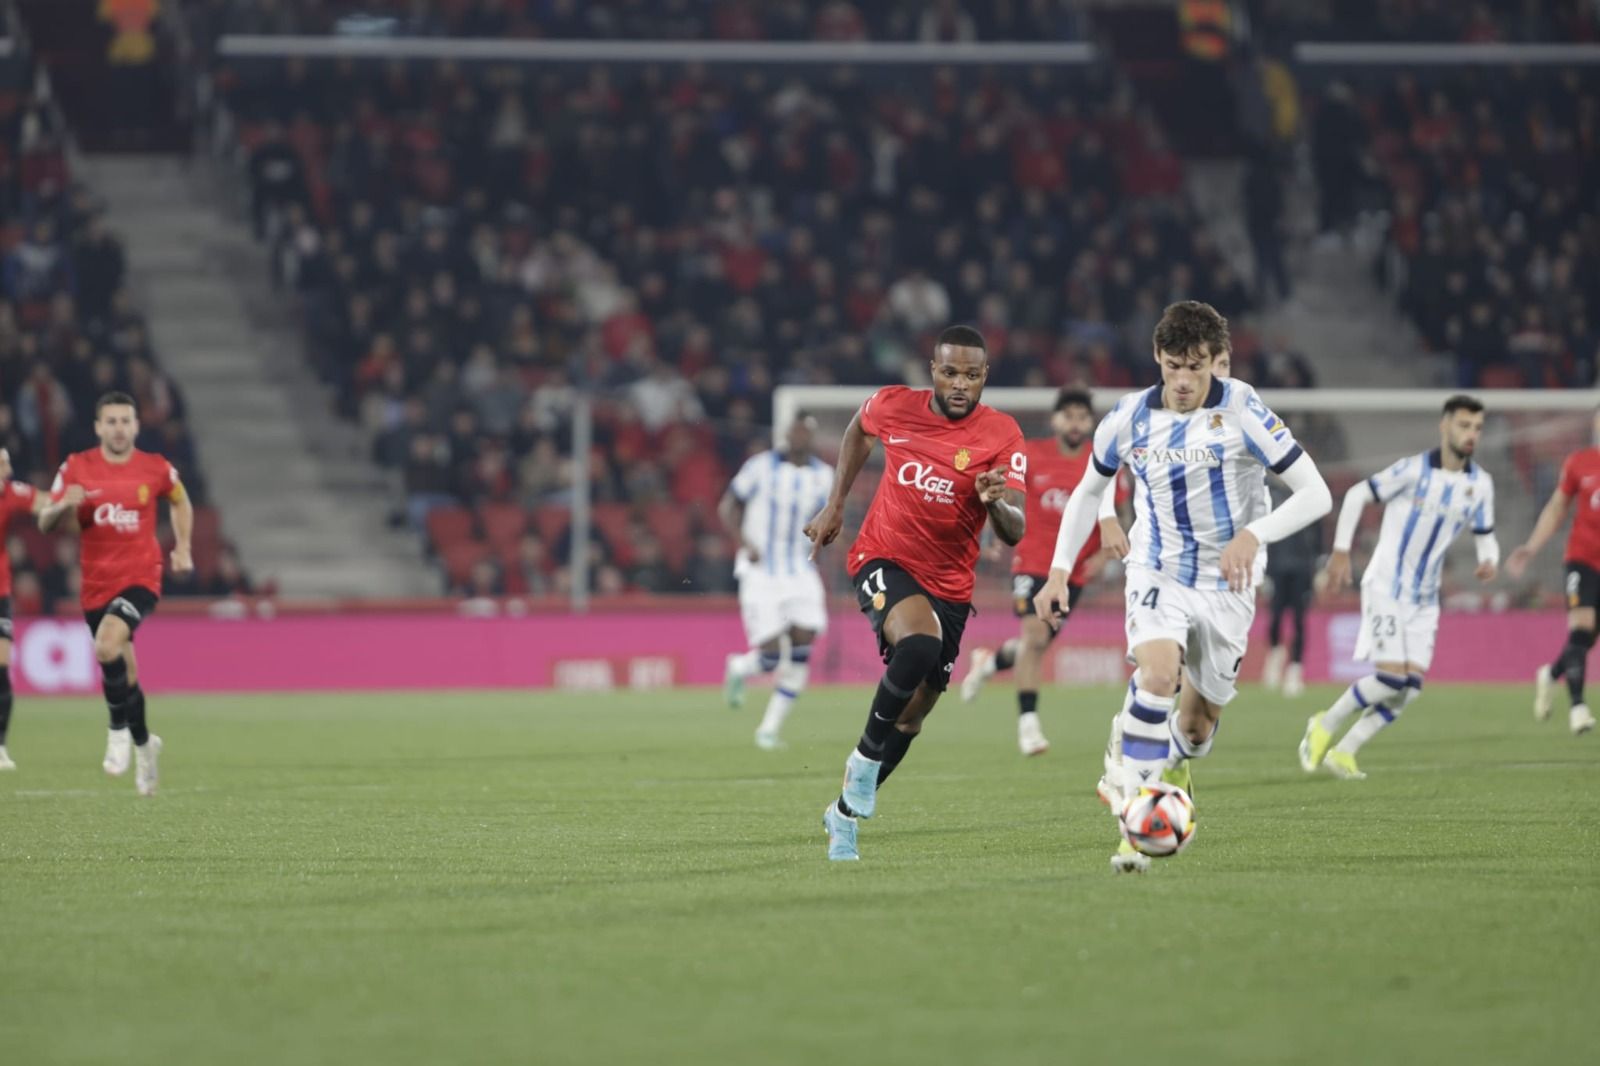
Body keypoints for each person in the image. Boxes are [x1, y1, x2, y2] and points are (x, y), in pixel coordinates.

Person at [1033, 301, 1331, 873]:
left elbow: (1316, 494)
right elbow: (1088, 493)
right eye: (1174, 366)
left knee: (1195, 730)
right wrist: (1058, 570)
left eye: (1197, 366)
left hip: (1228, 583)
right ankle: (1134, 830)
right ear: (1157, 359)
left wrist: (1252, 533)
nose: (1186, 379)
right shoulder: (1126, 418)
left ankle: (1160, 762)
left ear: (1214, 363)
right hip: (1158, 569)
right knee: (1157, 676)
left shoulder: (1244, 408)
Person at [805, 326, 1026, 862]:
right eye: (950, 372)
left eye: (971, 376)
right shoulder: (893, 406)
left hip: (950, 584)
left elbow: (1015, 529)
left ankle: (844, 814)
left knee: (913, 717)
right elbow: (858, 430)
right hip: (883, 556)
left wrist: (994, 503)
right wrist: (836, 504)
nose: (960, 384)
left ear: (984, 378)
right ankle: (861, 763)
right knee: (919, 644)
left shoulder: (1002, 434)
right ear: (933, 369)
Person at [1300, 396, 1500, 779]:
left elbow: (1486, 534)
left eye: (1477, 427)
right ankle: (1325, 722)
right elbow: (1358, 494)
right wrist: (1341, 552)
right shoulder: (1412, 472)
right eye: (1463, 425)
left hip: (1425, 598)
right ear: (1444, 426)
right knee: (1392, 677)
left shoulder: (1481, 485)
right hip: (1386, 585)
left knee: (1409, 689)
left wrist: (1489, 558)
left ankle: (1345, 750)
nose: (1470, 434)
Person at [38, 392, 194, 796]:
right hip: (95, 586)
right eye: (111, 422)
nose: (119, 428)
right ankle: (146, 746)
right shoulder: (76, 467)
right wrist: (61, 507)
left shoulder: (154, 468)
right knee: (127, 675)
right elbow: (45, 522)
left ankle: (117, 731)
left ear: (137, 426)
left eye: (126, 421)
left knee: (106, 646)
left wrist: (183, 546)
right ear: (98, 427)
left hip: (141, 577)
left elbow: (180, 501)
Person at [959, 388, 1130, 756]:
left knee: (1034, 644)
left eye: (1082, 416)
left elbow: (1121, 514)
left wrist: (1103, 557)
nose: (1074, 423)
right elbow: (1003, 497)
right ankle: (1028, 725)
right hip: (1032, 562)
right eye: (1067, 415)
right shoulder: (1032, 456)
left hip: (1074, 571)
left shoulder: (1099, 463)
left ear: (1090, 423)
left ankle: (988, 662)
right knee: (1035, 639)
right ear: (1055, 420)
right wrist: (988, 535)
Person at [718, 414, 834, 750]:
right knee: (769, 656)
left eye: (805, 432)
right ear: (785, 434)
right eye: (794, 431)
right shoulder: (760, 467)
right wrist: (744, 543)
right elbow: (728, 506)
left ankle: (768, 730)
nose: (798, 436)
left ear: (811, 437)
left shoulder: (824, 477)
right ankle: (739, 667)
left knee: (802, 648)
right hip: (760, 569)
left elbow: (831, 517)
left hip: (799, 569)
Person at [1507, 405, 1600, 736]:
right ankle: (1578, 708)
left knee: (1587, 639)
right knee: (1581, 629)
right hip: (1582, 560)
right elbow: (1557, 508)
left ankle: (1550, 674)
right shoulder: (1580, 462)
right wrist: (1531, 547)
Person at [0, 448, 46, 770]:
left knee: (1, 667)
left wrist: (68, 498)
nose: (8, 468)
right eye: (2, 463)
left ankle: (0, 746)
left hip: (0, 591)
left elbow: (47, 501)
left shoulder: (12, 493)